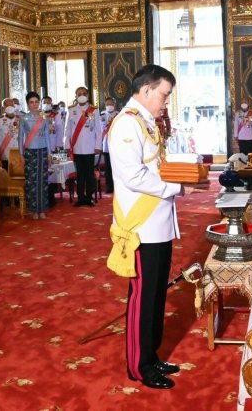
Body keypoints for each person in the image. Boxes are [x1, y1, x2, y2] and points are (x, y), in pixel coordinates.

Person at [107, 64, 186, 390]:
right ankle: (139, 367)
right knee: (143, 297)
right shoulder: (127, 124)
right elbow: (133, 176)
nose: (166, 102)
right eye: (164, 95)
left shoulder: (146, 122)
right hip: (141, 225)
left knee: (155, 296)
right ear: (148, 89)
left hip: (158, 223)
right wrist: (176, 187)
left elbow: (156, 167)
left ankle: (151, 355)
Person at [64, 86, 102, 207]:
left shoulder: (94, 110)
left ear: (88, 95)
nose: (81, 95)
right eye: (79, 93)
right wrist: (67, 144)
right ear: (75, 96)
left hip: (90, 147)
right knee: (80, 174)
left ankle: (89, 197)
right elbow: (67, 129)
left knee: (90, 174)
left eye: (84, 93)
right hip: (77, 147)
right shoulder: (71, 110)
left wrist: (98, 146)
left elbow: (98, 130)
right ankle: (80, 198)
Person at [19, 92, 50, 220]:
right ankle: (33, 210)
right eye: (31, 102)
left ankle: (42, 209)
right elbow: (20, 137)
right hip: (30, 152)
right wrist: (21, 154)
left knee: (42, 181)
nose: (34, 104)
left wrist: (49, 153)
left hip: (42, 150)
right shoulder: (23, 118)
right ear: (27, 104)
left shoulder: (44, 117)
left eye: (36, 102)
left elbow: (47, 135)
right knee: (31, 182)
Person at [0, 97, 19, 170]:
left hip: (18, 153)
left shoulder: (20, 119)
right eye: (7, 105)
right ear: (3, 108)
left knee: (19, 179)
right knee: (6, 178)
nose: (10, 107)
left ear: (14, 106)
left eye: (12, 105)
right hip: (5, 154)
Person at [101, 97, 119, 194]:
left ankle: (118, 186)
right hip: (106, 144)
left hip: (117, 144)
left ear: (114, 105)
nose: (109, 106)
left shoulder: (119, 115)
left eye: (111, 104)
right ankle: (109, 186)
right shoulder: (102, 115)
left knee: (117, 166)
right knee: (108, 167)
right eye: (108, 104)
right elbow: (101, 128)